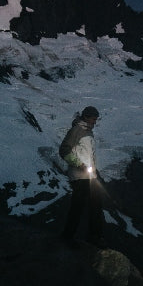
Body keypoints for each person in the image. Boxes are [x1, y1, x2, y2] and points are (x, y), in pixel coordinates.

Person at [58, 105, 104, 247]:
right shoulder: (76, 130)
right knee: (79, 207)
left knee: (94, 206)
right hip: (80, 176)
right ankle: (68, 237)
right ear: (86, 117)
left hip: (89, 176)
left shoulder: (88, 132)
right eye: (93, 119)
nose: (95, 122)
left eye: (96, 119)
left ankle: (92, 237)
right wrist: (80, 165)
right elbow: (64, 150)